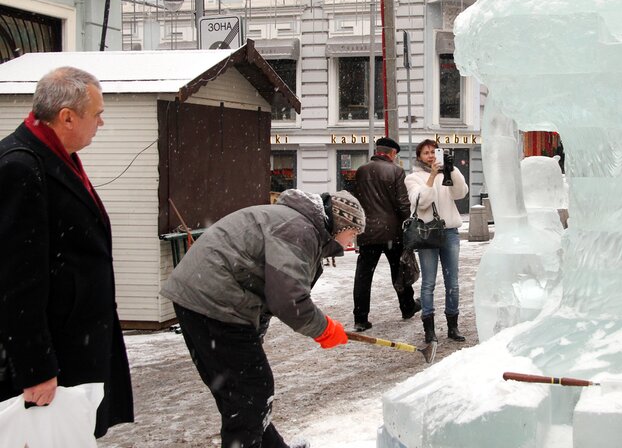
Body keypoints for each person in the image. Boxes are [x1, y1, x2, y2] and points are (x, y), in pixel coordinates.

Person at [161, 189, 364, 448]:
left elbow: (270, 291)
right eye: (354, 233)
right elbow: (288, 299)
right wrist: (324, 329)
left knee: (243, 394)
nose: (351, 242)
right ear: (341, 223)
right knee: (251, 391)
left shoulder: (297, 224)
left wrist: (256, 334)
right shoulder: (299, 230)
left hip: (205, 298)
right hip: (214, 300)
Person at [0, 67, 134, 437]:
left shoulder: (56, 156)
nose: (101, 123)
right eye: (98, 114)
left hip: (77, 345)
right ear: (67, 116)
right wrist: (35, 368)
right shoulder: (20, 167)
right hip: (55, 357)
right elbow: (16, 279)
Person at [351, 137, 420, 331]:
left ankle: (360, 318)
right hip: (392, 232)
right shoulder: (396, 171)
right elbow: (402, 203)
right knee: (399, 270)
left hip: (368, 232)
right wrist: (409, 223)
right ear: (392, 154)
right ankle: (407, 307)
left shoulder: (361, 170)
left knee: (364, 276)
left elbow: (357, 200)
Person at [404, 140, 469, 343]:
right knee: (428, 283)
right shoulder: (412, 178)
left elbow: (461, 193)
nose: (431, 156)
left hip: (449, 231)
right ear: (419, 156)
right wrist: (432, 176)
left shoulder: (447, 174)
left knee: (453, 282)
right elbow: (422, 202)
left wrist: (452, 169)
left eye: (434, 152)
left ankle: (453, 326)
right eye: (426, 153)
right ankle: (429, 330)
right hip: (427, 234)